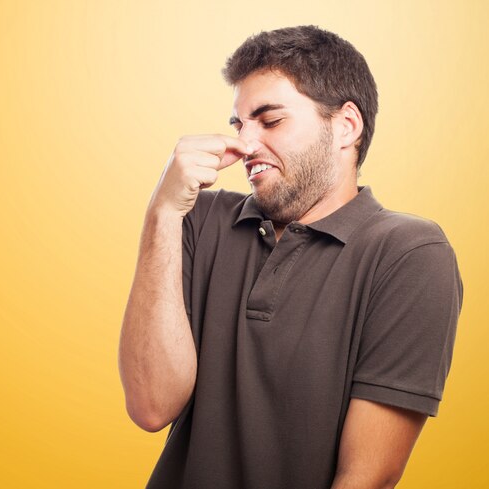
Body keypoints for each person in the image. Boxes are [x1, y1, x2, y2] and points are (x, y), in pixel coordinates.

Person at [118, 25, 463, 489]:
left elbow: (367, 477)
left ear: (346, 126)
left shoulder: (409, 254)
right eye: (240, 124)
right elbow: (151, 406)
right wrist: (162, 212)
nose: (245, 145)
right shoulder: (196, 219)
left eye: (271, 120)